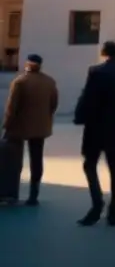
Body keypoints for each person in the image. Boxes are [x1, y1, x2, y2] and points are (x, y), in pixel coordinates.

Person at [73, 41, 115, 227]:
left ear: (104, 53)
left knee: (89, 164)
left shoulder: (96, 71)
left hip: (97, 127)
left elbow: (88, 98)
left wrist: (79, 117)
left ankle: (97, 204)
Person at [1, 54, 59, 206]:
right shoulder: (49, 81)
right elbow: (53, 104)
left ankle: (10, 193)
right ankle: (34, 195)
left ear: (27, 65)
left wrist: (6, 125)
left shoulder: (20, 81)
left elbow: (11, 108)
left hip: (18, 128)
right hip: (40, 127)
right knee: (36, 160)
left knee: (13, 161)